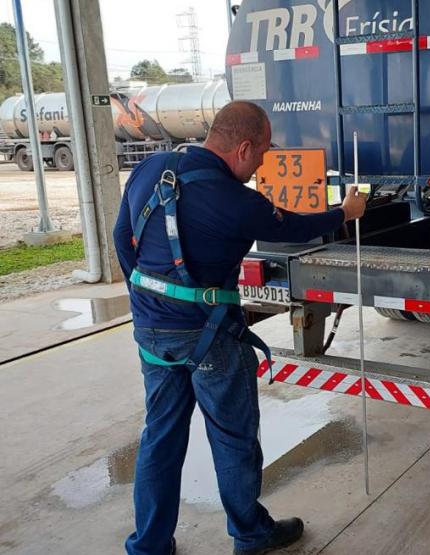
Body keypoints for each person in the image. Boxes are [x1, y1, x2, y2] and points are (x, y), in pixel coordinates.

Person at [113, 100, 366, 555]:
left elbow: (121, 240)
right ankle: (250, 534)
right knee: (233, 438)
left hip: (152, 333)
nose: (265, 162)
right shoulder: (237, 202)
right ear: (244, 147)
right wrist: (346, 212)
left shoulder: (150, 168)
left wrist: (154, 302)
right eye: (265, 152)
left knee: (159, 436)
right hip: (211, 339)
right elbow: (296, 228)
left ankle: (149, 544)